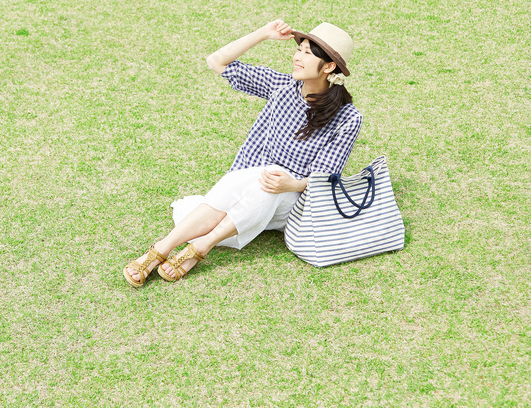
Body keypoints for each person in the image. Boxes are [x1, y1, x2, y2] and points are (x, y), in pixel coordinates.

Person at [122, 19, 363, 286]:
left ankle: (201, 246)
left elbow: (328, 175)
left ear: (328, 66)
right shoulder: (281, 86)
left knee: (268, 179)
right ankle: (162, 249)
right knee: (251, 183)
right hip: (244, 182)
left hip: (291, 199)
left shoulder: (347, 117)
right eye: (299, 49)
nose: (297, 57)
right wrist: (263, 34)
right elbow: (217, 62)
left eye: (307, 53)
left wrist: (292, 184)